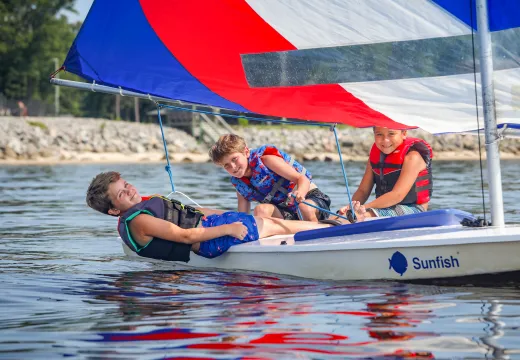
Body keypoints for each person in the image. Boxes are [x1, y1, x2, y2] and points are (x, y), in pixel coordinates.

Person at [86, 172, 366, 262]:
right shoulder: (138, 220)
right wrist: (230, 227)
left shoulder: (142, 205)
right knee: (270, 224)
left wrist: (227, 215)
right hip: (207, 241)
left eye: (126, 185)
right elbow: (185, 235)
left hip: (211, 227)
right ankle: (337, 228)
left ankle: (333, 226)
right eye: (122, 194)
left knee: (268, 223)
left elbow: (194, 214)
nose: (130, 190)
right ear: (114, 210)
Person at [209, 134, 331, 222]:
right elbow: (243, 215)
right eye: (226, 165)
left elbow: (302, 178)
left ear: (246, 152)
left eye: (234, 159)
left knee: (304, 208)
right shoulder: (239, 184)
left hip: (311, 199)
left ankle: (317, 232)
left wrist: (300, 194)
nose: (233, 167)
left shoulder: (266, 160)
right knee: (260, 210)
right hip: (286, 211)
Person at [337, 127, 433, 219]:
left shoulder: (413, 157)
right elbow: (363, 191)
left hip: (414, 209)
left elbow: (397, 195)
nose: (385, 140)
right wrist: (351, 207)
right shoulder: (375, 156)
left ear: (404, 134)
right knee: (343, 214)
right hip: (382, 207)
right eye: (379, 134)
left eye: (391, 134)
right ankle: (328, 224)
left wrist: (363, 208)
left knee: (361, 215)